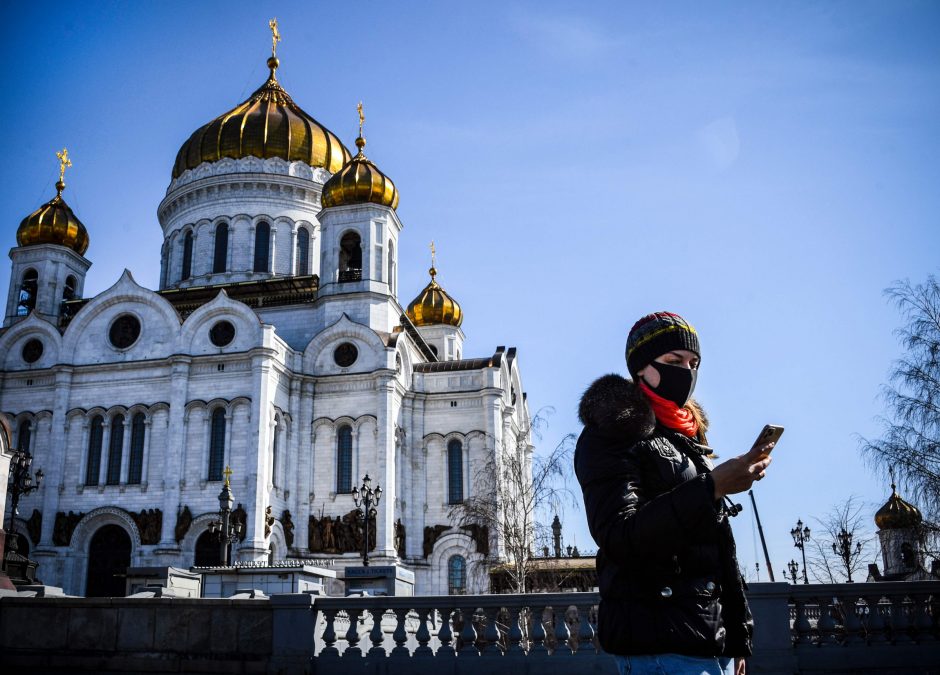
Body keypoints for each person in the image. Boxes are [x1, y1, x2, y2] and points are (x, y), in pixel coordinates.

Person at [575, 312, 773, 675]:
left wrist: (736, 640)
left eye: (693, 362)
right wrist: (713, 486)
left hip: (710, 644)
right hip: (658, 645)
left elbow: (716, 551)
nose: (687, 372)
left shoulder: (685, 440)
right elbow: (619, 534)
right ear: (640, 369)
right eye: (673, 361)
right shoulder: (612, 431)